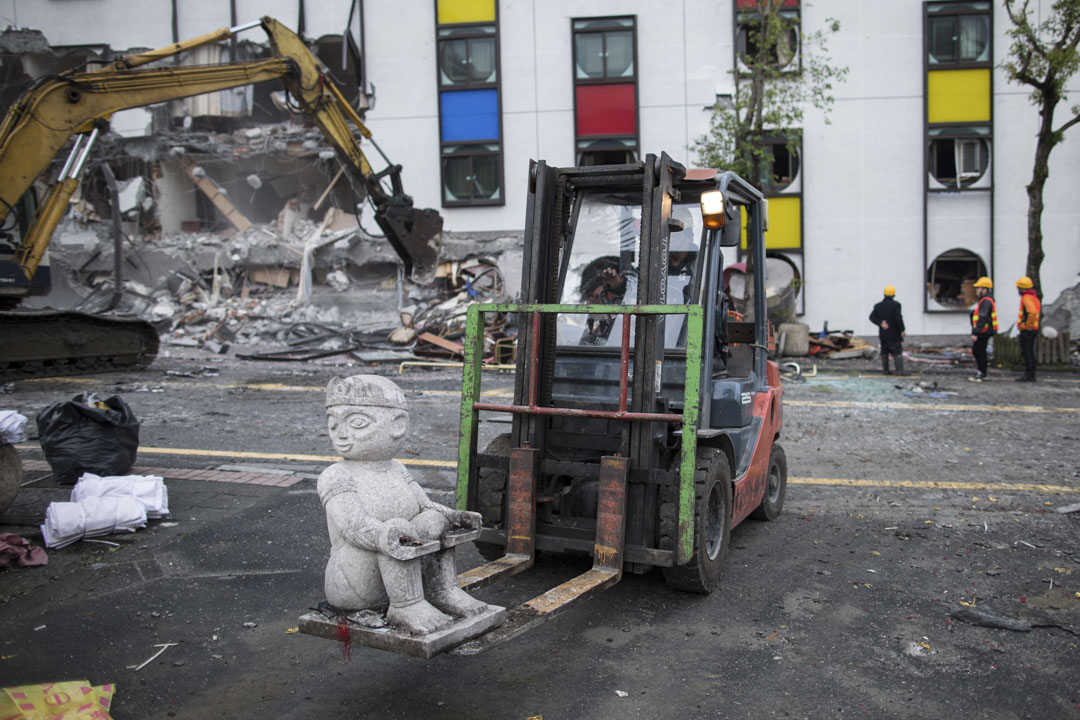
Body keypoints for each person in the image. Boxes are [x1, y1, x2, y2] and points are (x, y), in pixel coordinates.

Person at [317, 374, 490, 635]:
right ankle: (405, 604)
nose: (341, 434)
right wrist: (387, 534)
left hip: (397, 563)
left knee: (432, 521)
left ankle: (441, 590)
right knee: (398, 528)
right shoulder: (336, 475)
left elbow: (424, 506)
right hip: (355, 580)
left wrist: (454, 516)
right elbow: (352, 525)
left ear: (397, 425)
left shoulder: (396, 469)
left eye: (357, 423)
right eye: (333, 424)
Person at [869, 285, 907, 375]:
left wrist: (880, 322)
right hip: (894, 333)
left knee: (885, 351)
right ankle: (899, 371)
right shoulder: (896, 305)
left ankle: (885, 370)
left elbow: (871, 317)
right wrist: (902, 329)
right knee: (897, 351)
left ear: (884, 294)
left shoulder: (878, 306)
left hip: (883, 333)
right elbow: (898, 318)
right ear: (893, 294)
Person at [968, 276, 997, 382]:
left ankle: (982, 373)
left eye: (979, 288)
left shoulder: (986, 301)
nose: (977, 290)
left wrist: (976, 332)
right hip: (985, 330)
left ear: (985, 289)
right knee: (979, 350)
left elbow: (982, 317)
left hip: (983, 331)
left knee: (978, 351)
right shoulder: (985, 301)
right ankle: (982, 372)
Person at [1015, 276, 1041, 382]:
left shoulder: (1026, 298)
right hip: (1033, 329)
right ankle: (1030, 374)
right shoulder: (1034, 297)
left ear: (1022, 288)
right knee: (1029, 351)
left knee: (1027, 352)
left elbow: (1032, 313)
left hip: (1028, 330)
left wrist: (1026, 326)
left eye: (1018, 288)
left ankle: (1029, 375)